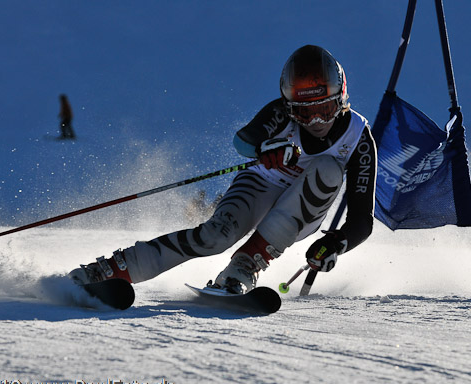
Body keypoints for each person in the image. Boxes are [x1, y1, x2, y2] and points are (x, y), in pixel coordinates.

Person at [69, 45, 377, 294]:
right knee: (216, 235)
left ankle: (245, 266)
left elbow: (362, 220)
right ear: (290, 107)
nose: (315, 123)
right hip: (261, 182)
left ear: (341, 101)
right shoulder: (280, 113)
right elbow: (243, 141)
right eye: (303, 113)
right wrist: (264, 149)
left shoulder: (358, 139)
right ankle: (115, 269)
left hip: (304, 209)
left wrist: (335, 243)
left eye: (324, 110)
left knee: (328, 168)